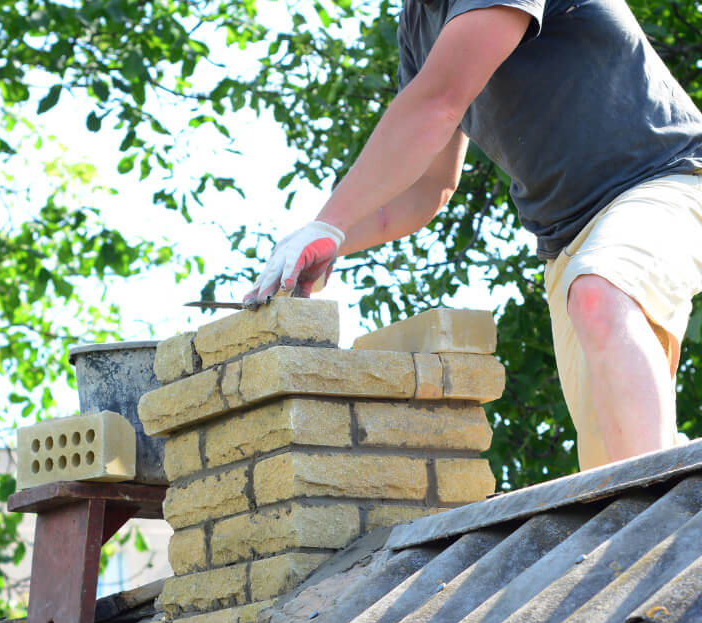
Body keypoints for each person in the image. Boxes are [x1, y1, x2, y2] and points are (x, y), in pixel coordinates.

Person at [243, 0, 702, 471]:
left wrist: (329, 221)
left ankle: (659, 496)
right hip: (572, 245)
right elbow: (428, 187)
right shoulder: (420, 24)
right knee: (615, 470)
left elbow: (439, 102)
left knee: (601, 295)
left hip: (670, 180)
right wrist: (329, 239)